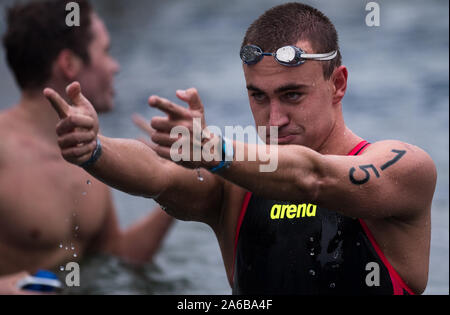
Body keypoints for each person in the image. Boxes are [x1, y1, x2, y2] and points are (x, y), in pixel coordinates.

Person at [45, 2, 437, 295]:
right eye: (259, 97)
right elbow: (157, 173)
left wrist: (214, 150)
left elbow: (314, 177)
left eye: (292, 95)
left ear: (338, 84)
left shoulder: (404, 169)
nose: (274, 118)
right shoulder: (234, 190)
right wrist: (94, 148)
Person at [0, 0, 173, 294]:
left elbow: (119, 256)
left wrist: (175, 181)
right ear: (69, 64)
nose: (114, 66)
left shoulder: (92, 154)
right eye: (105, 51)